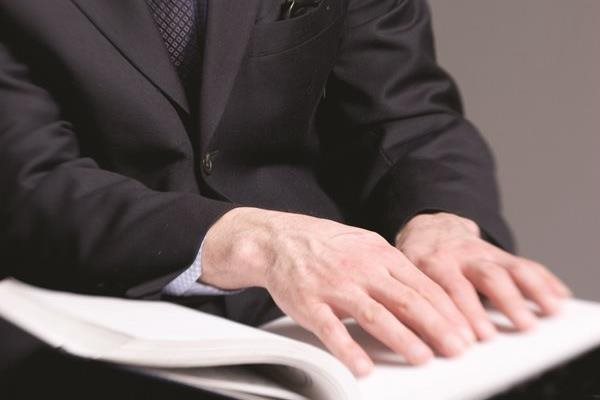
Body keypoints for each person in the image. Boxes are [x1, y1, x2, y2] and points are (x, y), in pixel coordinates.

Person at [0, 0, 571, 378]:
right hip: (69, 333)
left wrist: (440, 218)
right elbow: (30, 183)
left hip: (323, 331)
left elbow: (405, 115)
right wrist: (252, 242)